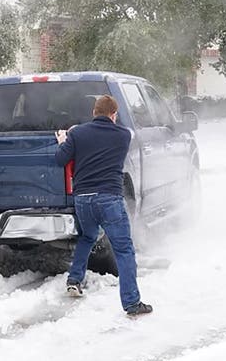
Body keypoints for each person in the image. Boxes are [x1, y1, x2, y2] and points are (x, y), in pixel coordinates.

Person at [54, 95, 152, 316]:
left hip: (83, 200)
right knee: (124, 250)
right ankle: (132, 303)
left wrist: (63, 141)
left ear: (93, 113)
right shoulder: (123, 135)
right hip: (109, 199)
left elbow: (60, 159)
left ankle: (74, 280)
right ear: (114, 114)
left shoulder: (77, 134)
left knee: (87, 237)